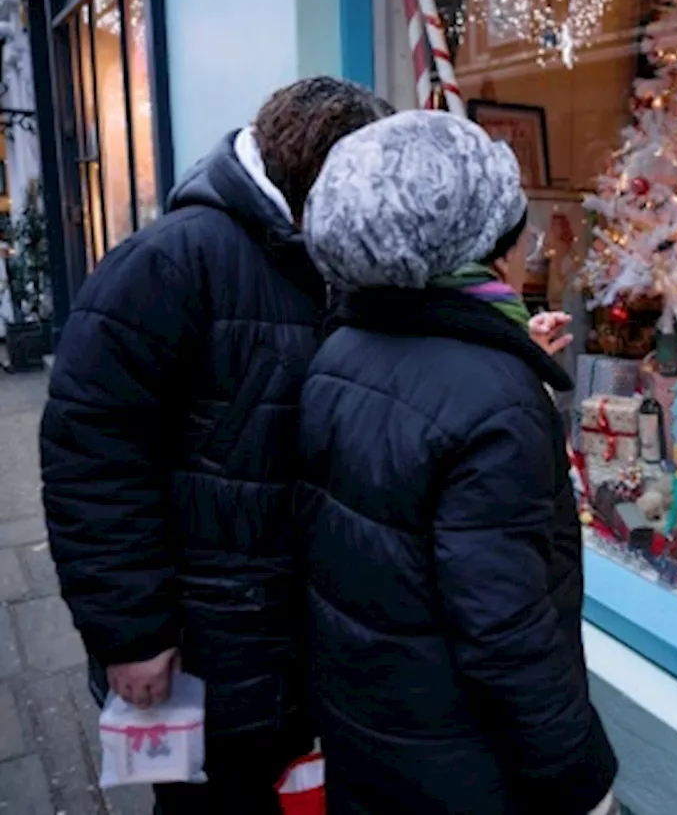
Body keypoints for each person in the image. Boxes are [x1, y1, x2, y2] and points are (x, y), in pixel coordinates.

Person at [39, 77, 395, 814]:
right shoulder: (168, 264)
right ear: (315, 180)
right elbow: (92, 466)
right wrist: (131, 636)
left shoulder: (338, 260)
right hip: (208, 647)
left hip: (304, 642)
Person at [298, 110, 619, 814]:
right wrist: (581, 776)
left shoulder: (339, 350)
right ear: (482, 249)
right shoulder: (492, 396)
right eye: (518, 229)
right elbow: (505, 628)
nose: (529, 245)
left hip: (370, 727)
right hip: (461, 765)